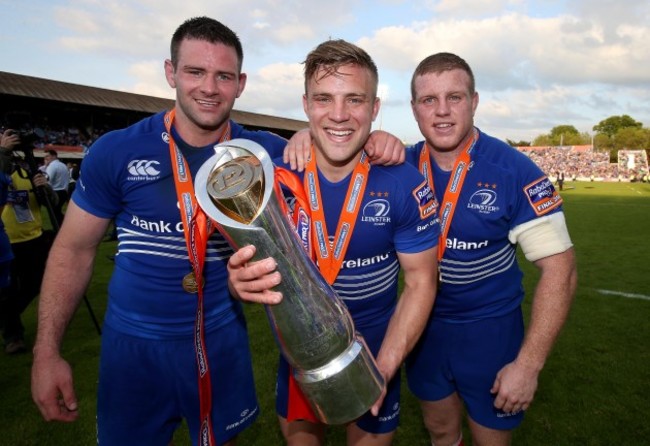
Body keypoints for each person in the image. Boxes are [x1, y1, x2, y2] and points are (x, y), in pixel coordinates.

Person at [30, 17, 403, 446]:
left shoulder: (265, 153)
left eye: (223, 76)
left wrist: (376, 140)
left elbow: (333, 144)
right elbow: (73, 251)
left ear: (240, 83)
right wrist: (47, 351)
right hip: (133, 345)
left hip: (222, 337)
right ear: (171, 73)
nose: (209, 87)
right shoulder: (117, 150)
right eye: (195, 72)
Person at [227, 39, 440, 446]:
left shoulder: (402, 182)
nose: (339, 114)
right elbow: (240, 262)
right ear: (306, 105)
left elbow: (420, 283)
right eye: (324, 99)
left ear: (374, 109)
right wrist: (236, 282)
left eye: (354, 100)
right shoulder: (272, 179)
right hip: (301, 358)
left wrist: (385, 366)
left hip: (378, 353)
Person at [403, 52, 578, 446]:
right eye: (429, 100)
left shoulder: (513, 170)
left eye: (455, 97)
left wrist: (529, 364)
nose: (442, 111)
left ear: (475, 101)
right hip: (423, 330)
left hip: (491, 334)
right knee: (441, 432)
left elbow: (560, 269)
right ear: (414, 109)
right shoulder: (402, 167)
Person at [0, 154, 56, 354]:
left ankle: (7, 316)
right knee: (7, 291)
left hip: (33, 238)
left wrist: (45, 188)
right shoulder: (2, 170)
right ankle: (13, 337)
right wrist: (3, 152)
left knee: (35, 283)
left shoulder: (27, 172)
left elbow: (52, 202)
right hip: (7, 240)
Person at [43, 149, 70, 226]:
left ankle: (59, 229)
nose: (46, 158)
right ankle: (64, 226)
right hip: (64, 191)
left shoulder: (52, 166)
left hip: (56, 192)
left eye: (48, 156)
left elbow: (47, 180)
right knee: (57, 212)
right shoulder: (63, 165)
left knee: (54, 214)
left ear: (54, 156)